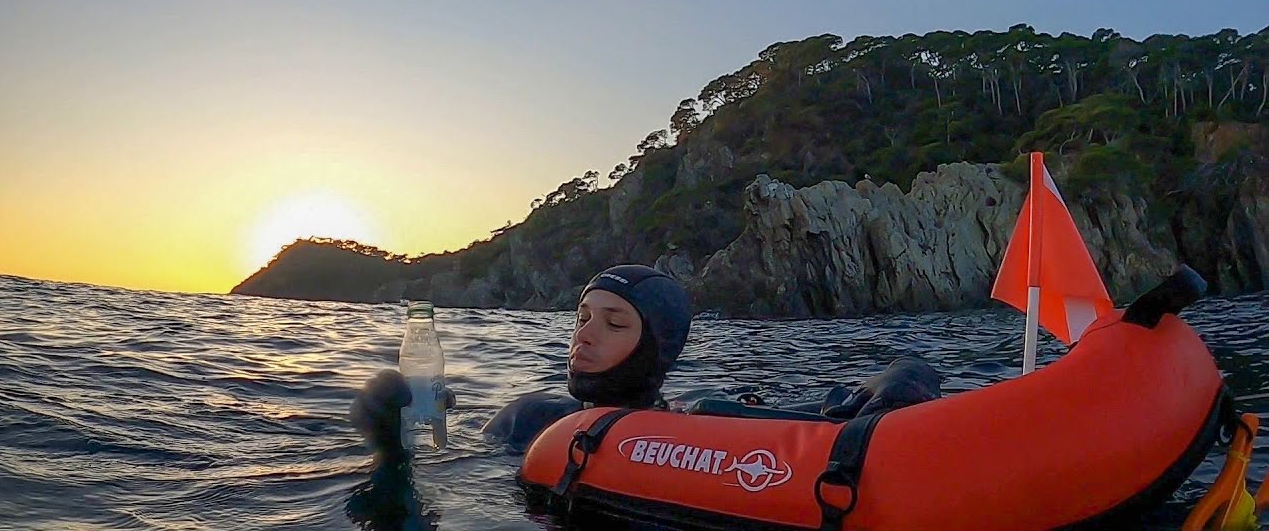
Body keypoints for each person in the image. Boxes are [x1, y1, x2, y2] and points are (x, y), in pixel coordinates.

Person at [350, 263, 942, 459]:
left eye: (613, 323)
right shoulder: (528, 417)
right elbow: (450, 468)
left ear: (656, 347)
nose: (584, 336)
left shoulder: (700, 418)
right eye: (583, 317)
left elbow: (837, 420)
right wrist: (389, 442)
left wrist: (899, 389)